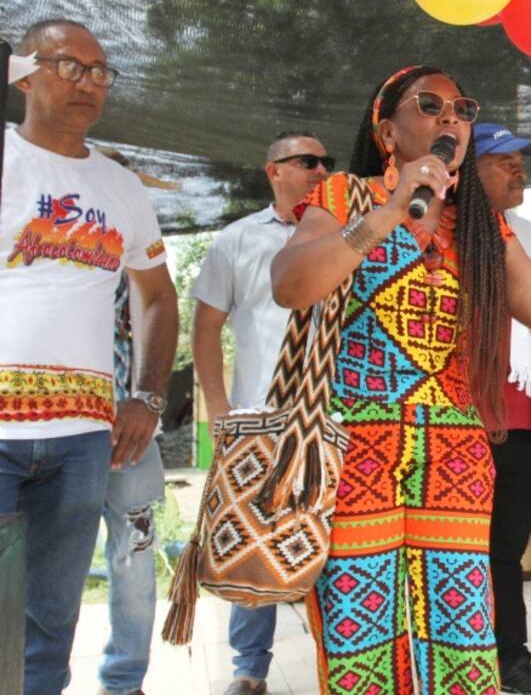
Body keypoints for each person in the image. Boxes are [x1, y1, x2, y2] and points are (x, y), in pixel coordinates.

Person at [269, 65, 531, 695]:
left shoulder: (484, 226)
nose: (451, 119)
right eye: (430, 105)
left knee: (460, 626)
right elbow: (291, 285)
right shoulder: (342, 198)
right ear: (387, 130)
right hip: (360, 449)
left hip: (458, 450)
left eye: (461, 109)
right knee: (362, 621)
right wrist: (386, 212)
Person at [0, 19, 178, 695]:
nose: (90, 83)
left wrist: (147, 398)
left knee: (50, 623)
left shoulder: (122, 188)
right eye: (70, 66)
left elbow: (158, 298)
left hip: (82, 439)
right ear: (24, 72)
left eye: (101, 71)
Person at [191, 131, 334, 695]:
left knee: (337, 542)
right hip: (262, 418)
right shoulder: (236, 240)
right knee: (257, 542)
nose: (320, 170)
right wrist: (220, 409)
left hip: (338, 413)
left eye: (326, 162)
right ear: (273, 170)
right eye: (306, 161)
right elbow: (205, 327)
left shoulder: (354, 234)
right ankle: (250, 669)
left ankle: (338, 659)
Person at [472, 121, 531, 695]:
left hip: (522, 420)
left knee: (506, 551)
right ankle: (452, 661)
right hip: (453, 419)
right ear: (468, 168)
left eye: (521, 161)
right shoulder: (432, 226)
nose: (519, 170)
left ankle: (511, 660)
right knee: (447, 550)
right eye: (504, 160)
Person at [95, 146, 178, 695]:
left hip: (132, 430)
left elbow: (160, 310)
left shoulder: (142, 260)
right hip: (48, 423)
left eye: (130, 185)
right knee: (45, 555)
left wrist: (145, 402)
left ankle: (125, 682)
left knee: (134, 556)